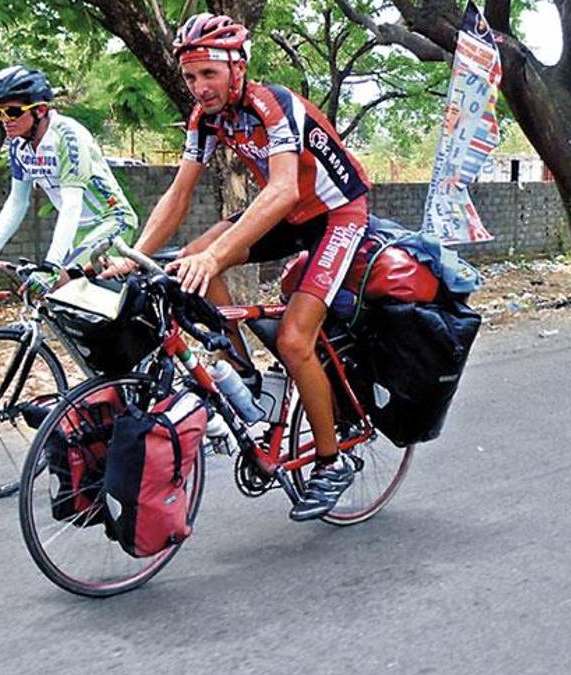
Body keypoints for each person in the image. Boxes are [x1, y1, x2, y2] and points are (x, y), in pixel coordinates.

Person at [104, 13, 372, 521]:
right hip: (289, 214)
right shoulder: (205, 119)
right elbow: (178, 194)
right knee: (187, 259)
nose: (199, 88)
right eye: (189, 77)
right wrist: (134, 256)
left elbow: (284, 188)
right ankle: (243, 370)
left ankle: (332, 463)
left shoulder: (274, 106)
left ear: (238, 67)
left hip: (335, 213)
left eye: (209, 74)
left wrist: (216, 254)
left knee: (294, 339)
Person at [0, 66, 138, 285]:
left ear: (40, 110)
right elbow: (17, 202)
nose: (4, 119)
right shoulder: (18, 146)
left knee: (59, 284)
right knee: (72, 306)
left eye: (12, 112)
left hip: (112, 221)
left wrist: (52, 265)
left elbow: (71, 205)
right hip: (79, 232)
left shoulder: (67, 136)